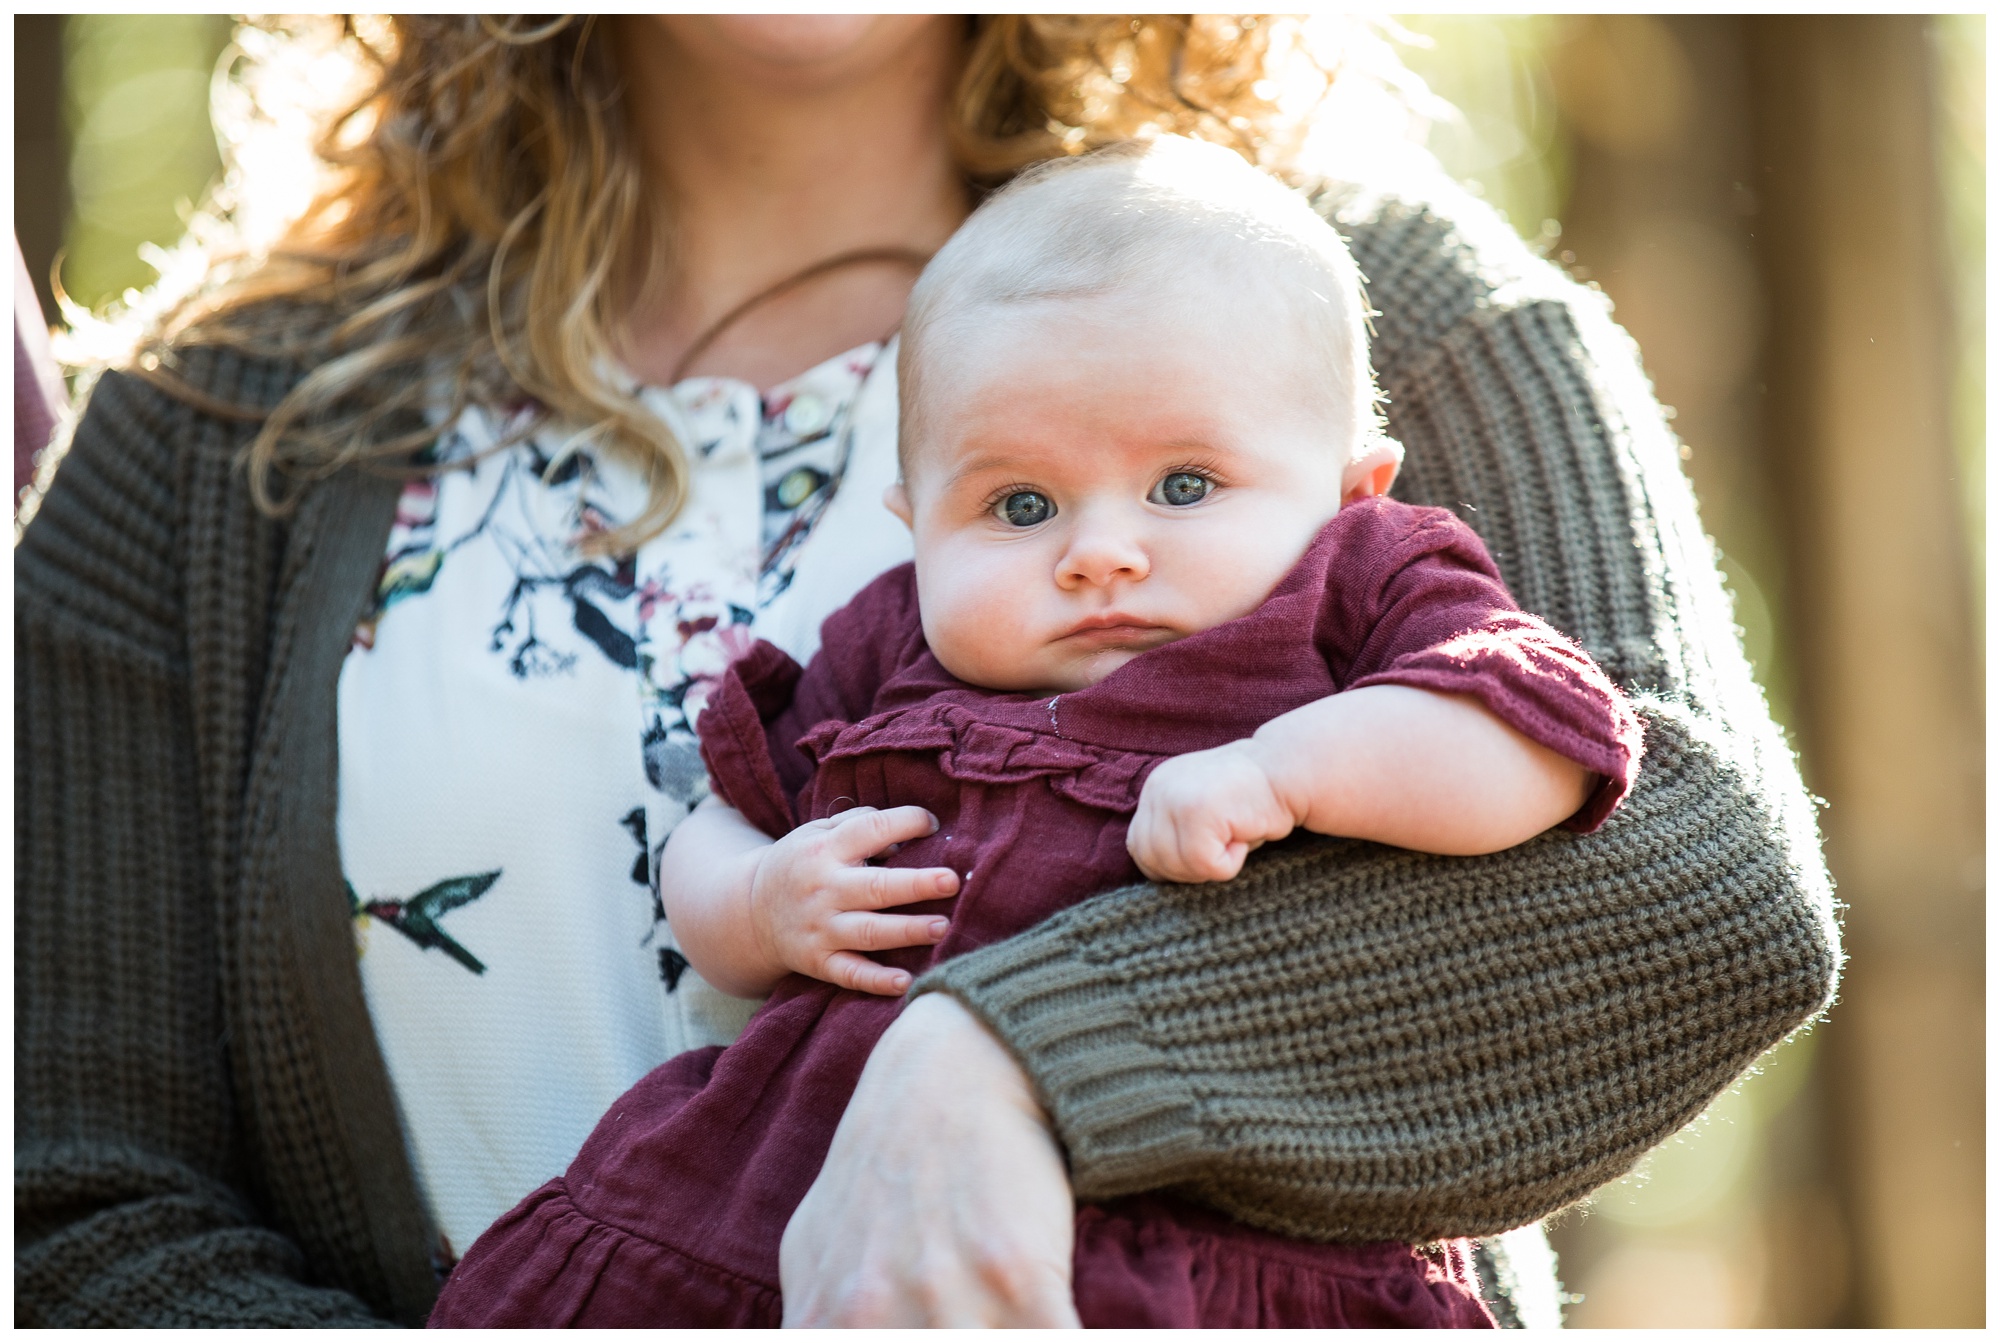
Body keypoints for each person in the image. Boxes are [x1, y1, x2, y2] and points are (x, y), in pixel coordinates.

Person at [14, 16, 1837, 1329]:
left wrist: (1012, 1053)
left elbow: (1697, 880)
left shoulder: (1349, 306)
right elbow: (64, 1201)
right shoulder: (205, 440)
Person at [429, 136, 1644, 1329]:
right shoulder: (892, 639)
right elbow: (725, 817)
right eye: (1019, 504)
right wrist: (757, 901)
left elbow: (1534, 746)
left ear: (1347, 491)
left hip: (1229, 1243)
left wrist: (1292, 769)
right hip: (784, 1218)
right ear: (914, 524)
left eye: (1182, 485)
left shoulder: (1358, 584)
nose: (1097, 550)